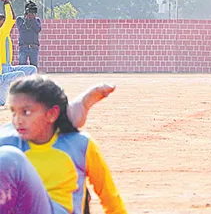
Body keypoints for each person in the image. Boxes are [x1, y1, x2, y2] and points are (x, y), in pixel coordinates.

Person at [0, 75, 127, 214]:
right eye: (13, 112)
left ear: (52, 114)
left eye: (26, 112)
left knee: (8, 156)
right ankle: (71, 112)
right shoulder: (11, 142)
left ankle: (71, 112)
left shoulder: (79, 145)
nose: (17, 120)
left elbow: (110, 197)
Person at [0, 0, 37, 106]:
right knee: (21, 74)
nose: (5, 21)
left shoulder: (5, 33)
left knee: (32, 70)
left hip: (8, 67)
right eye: (3, 20)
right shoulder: (1, 32)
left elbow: (12, 18)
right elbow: (11, 18)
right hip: (3, 69)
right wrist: (6, 1)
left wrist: (8, 3)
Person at [16, 0, 42, 68]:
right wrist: (27, 18)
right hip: (23, 47)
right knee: (22, 67)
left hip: (34, 47)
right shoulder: (20, 19)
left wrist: (33, 19)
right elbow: (22, 29)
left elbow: (38, 29)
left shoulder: (37, 20)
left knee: (34, 67)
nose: (32, 12)